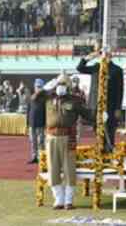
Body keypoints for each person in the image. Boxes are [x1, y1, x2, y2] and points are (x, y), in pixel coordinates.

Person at [36, 74, 92, 210]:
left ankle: (68, 200)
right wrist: (45, 88)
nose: (62, 86)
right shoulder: (48, 97)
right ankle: (58, 199)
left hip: (68, 138)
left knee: (69, 169)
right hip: (51, 137)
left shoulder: (75, 100)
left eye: (64, 84)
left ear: (69, 86)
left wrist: (100, 115)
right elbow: (34, 99)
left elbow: (87, 114)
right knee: (53, 169)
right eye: (60, 83)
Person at [75, 49, 124, 153]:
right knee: (97, 128)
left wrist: (118, 108)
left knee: (109, 129)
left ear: (111, 55)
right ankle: (100, 149)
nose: (104, 56)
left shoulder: (117, 70)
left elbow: (119, 90)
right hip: (96, 105)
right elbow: (80, 68)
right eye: (102, 54)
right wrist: (89, 57)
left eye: (106, 54)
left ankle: (109, 150)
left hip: (110, 105)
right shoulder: (96, 67)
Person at [27, 79, 47, 164]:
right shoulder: (32, 97)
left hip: (40, 123)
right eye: (36, 86)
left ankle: (41, 157)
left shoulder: (45, 98)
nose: (37, 88)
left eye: (39, 87)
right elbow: (28, 110)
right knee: (33, 141)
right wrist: (27, 123)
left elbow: (46, 112)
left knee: (40, 142)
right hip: (32, 123)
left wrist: (46, 123)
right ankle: (34, 156)